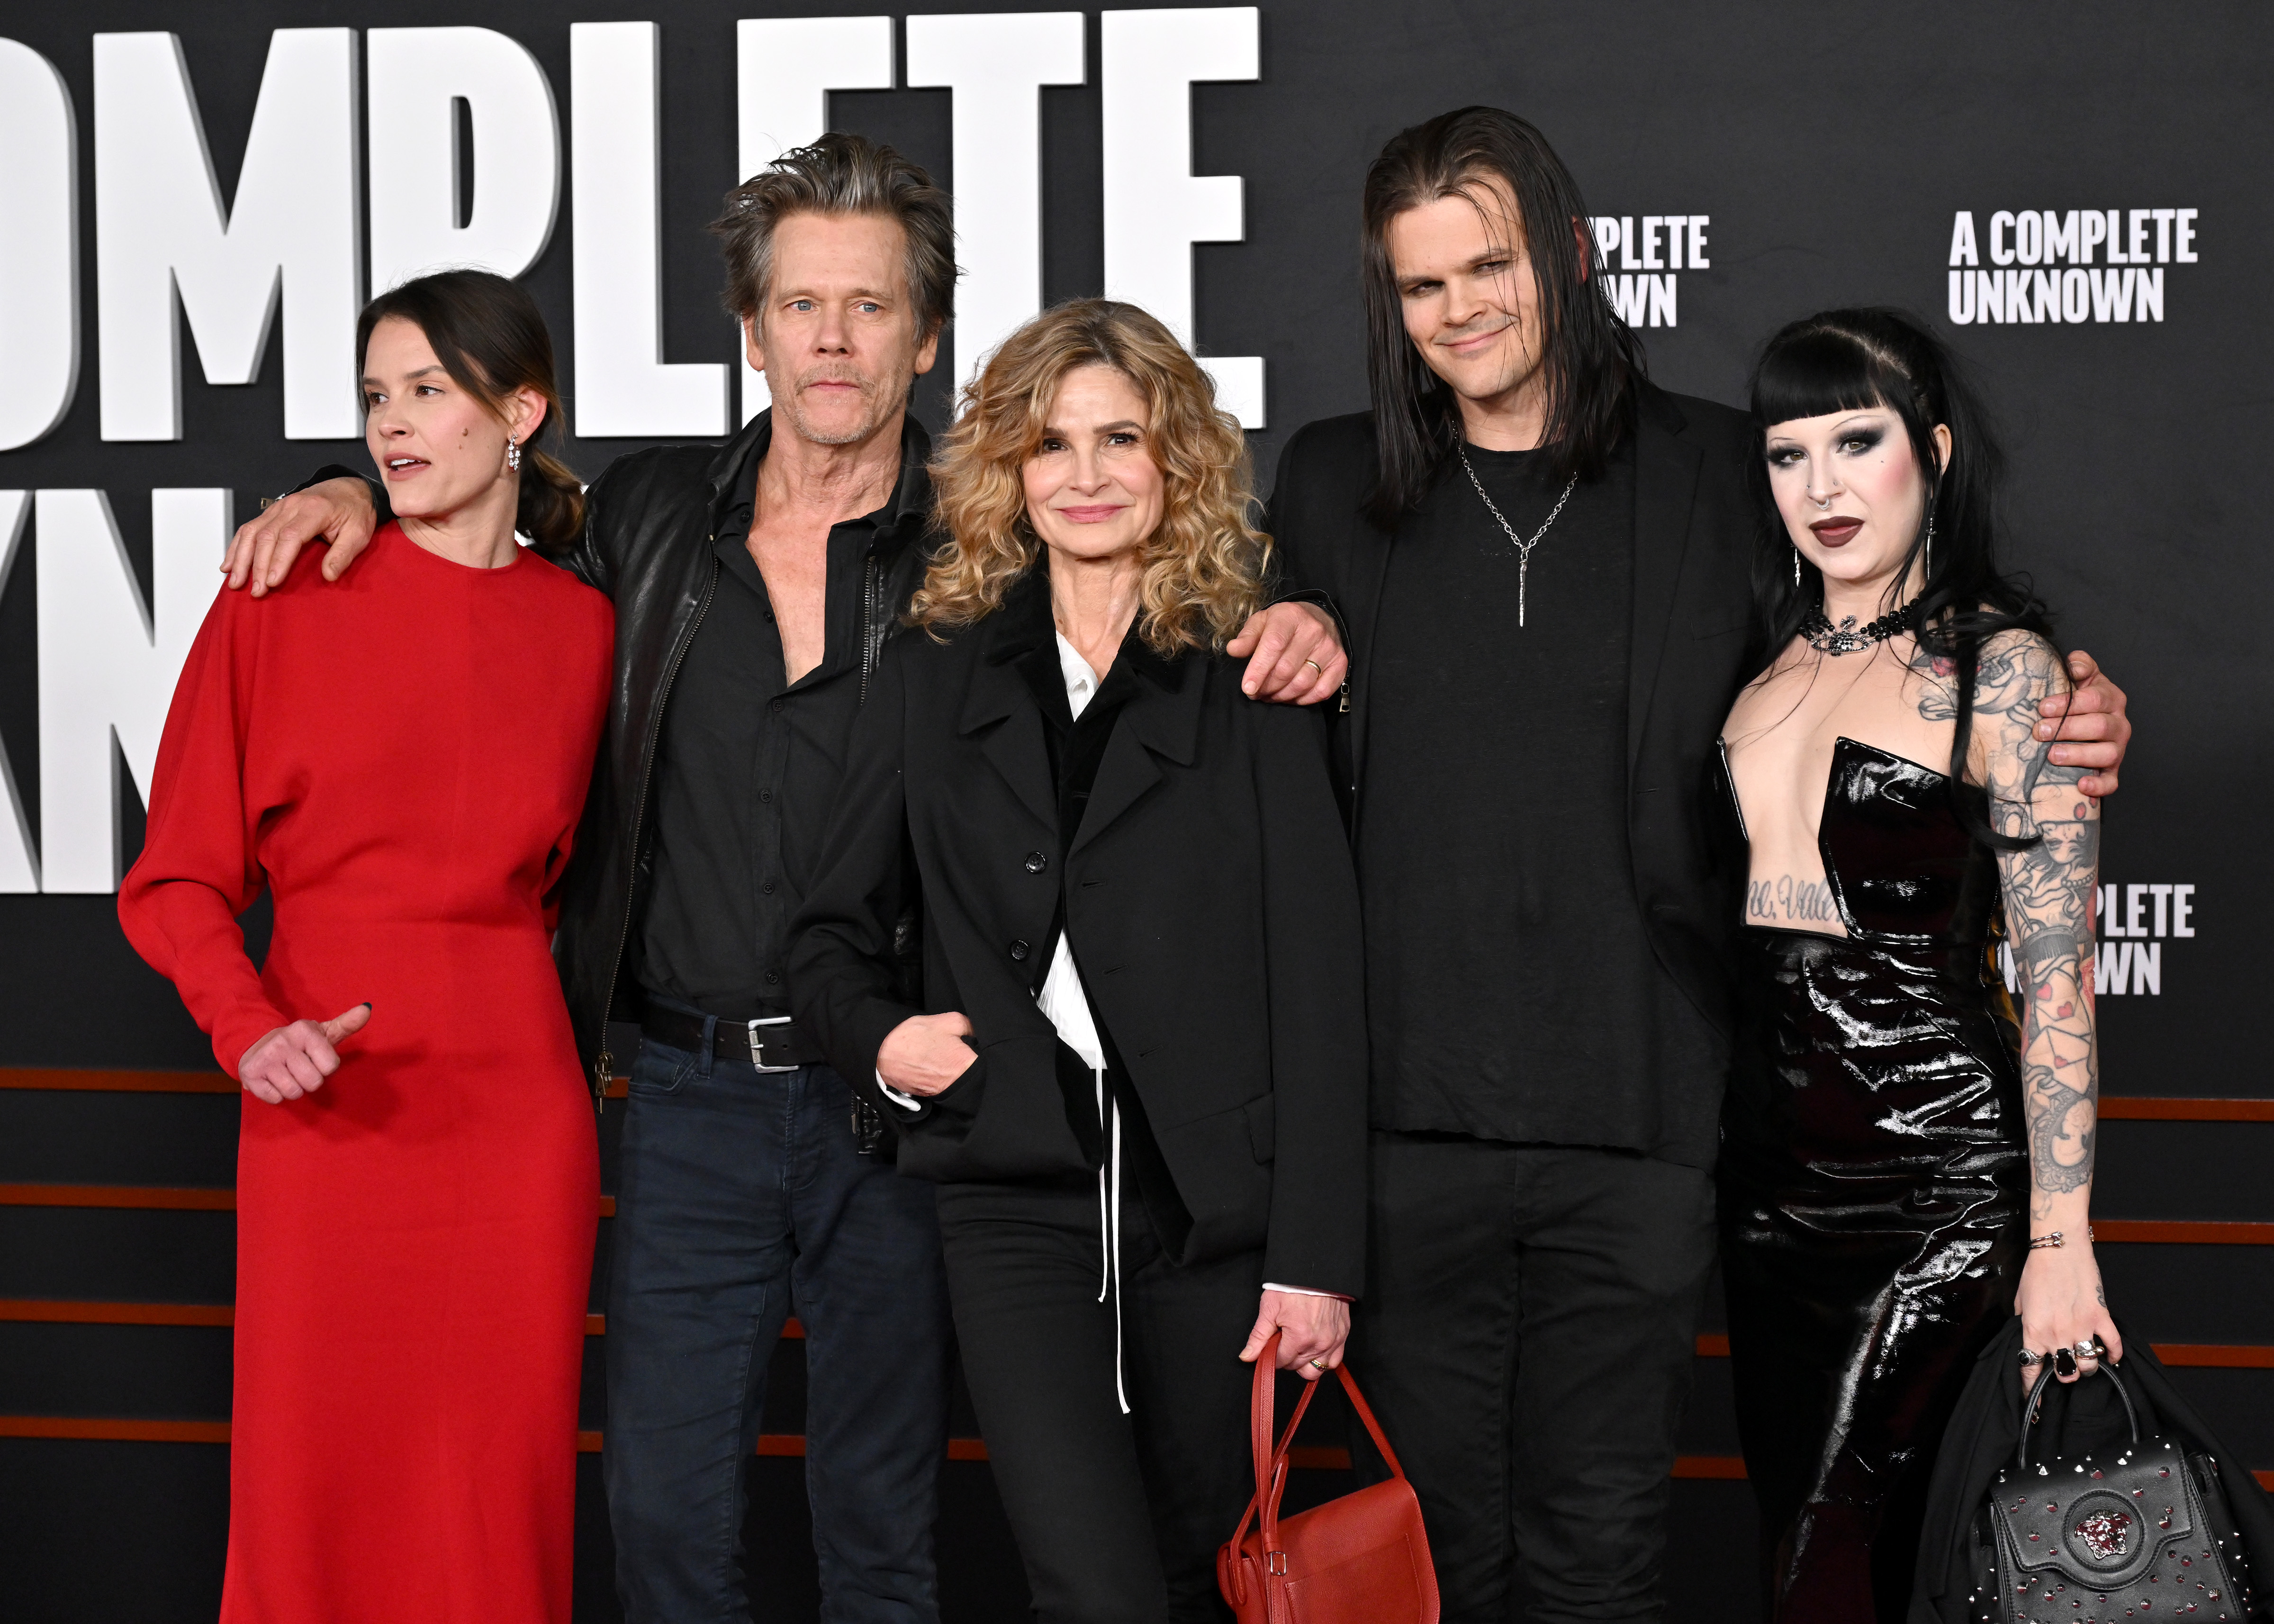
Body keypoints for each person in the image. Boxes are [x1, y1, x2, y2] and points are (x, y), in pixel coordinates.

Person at [217, 136, 1345, 1621]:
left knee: (881, 1528)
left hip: (903, 1094)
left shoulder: (992, 545)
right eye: (800, 305)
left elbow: (1149, 593)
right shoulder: (643, 523)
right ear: (750, 332)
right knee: (667, 1523)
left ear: (926, 337)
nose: (832, 337)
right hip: (690, 1092)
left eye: (870, 308)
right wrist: (341, 490)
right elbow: (479, 513)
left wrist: (1300, 612)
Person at [1264, 106, 2134, 1623]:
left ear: (1576, 253)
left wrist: (2064, 693)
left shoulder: (1730, 471)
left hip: (1655, 1117)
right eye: (1422, 286)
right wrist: (1288, 627)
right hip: (1403, 1132)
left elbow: (1894, 629)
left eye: (1495, 264)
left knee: (1605, 1559)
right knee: (1435, 1566)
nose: (1463, 308)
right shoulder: (1333, 488)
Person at [789, 298, 1368, 1624]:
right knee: (1093, 1586)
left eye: (1122, 438)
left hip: (1221, 1204)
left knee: (1205, 1571)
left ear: (1178, 459)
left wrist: (1316, 1256)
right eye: (1053, 445)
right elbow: (823, 934)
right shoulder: (937, 671)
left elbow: (1323, 983)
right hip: (1015, 1197)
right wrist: (883, 1037)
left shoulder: (1254, 664)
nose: (1089, 474)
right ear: (1010, 469)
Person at [117, 270, 613, 1622]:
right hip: (326, 1106)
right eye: (375, 398)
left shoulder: (586, 628)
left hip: (521, 1115)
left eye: (430, 392)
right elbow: (174, 878)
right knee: (314, 1484)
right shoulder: (280, 595)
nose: (395, 427)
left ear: (521, 411)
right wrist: (247, 1024)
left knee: (497, 1497)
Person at [1715, 308, 2119, 1622]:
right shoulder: (1758, 672)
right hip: (1772, 1201)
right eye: (1788, 454)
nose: (1822, 487)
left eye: (1857, 441)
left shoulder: (2003, 672)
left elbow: (2057, 971)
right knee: (1812, 1546)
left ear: (1932, 452)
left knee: (1864, 1550)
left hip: (1940, 1184)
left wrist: (2061, 1240)